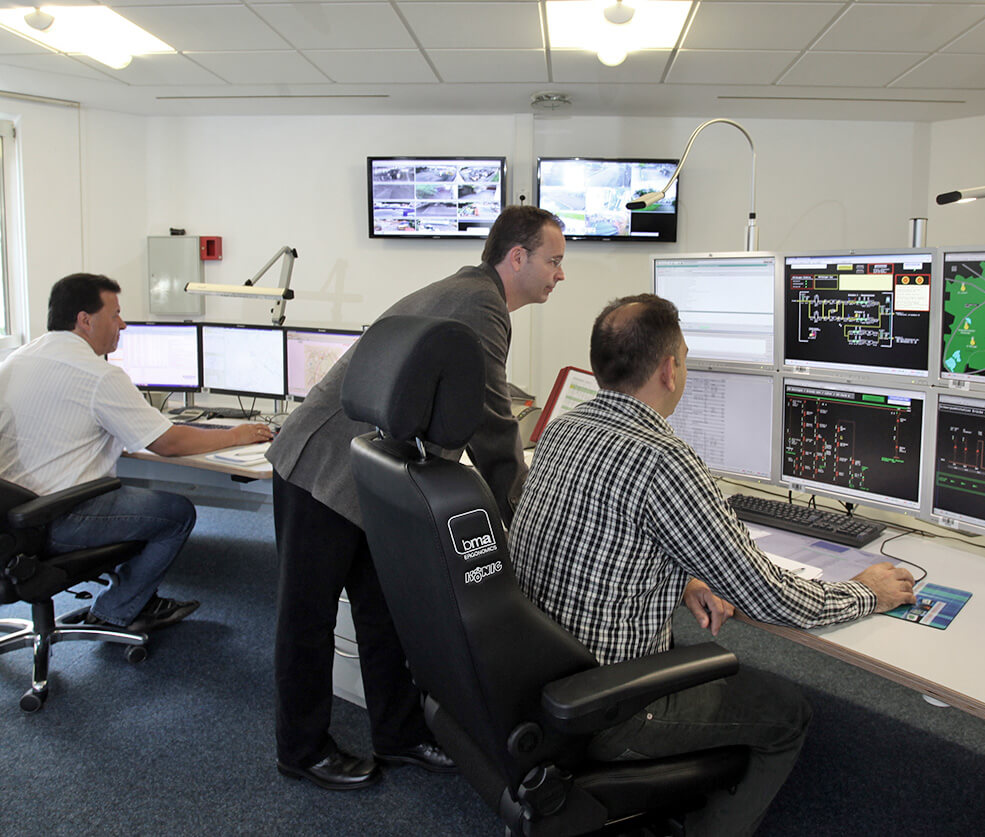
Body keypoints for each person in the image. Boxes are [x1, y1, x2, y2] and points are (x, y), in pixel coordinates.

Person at [509, 293, 916, 836]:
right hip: (610, 708)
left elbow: (595, 542)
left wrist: (684, 575)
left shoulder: (565, 429)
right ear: (670, 369)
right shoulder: (663, 460)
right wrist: (869, 591)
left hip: (542, 676)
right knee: (789, 712)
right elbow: (772, 597)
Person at [266, 205, 566, 791]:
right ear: (517, 257)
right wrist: (528, 520)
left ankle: (398, 733)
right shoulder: (481, 306)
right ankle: (300, 750)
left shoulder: (468, 292)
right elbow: (491, 425)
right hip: (321, 465)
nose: (561, 274)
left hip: (366, 473)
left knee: (384, 611)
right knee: (307, 617)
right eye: (554, 261)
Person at [0, 273, 273, 632]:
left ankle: (134, 592)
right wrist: (237, 434)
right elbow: (167, 443)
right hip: (59, 517)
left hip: (12, 519)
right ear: (85, 320)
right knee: (176, 513)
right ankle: (117, 608)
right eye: (115, 315)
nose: (123, 324)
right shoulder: (97, 375)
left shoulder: (15, 361)